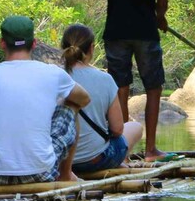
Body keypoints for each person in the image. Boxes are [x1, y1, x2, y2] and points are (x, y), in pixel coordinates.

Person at [63, 0, 170, 161]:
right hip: (145, 33)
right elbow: (161, 1)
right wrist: (160, 18)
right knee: (153, 88)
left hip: (117, 32)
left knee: (120, 87)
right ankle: (151, 150)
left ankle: (123, 147)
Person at [0, 15, 90, 184]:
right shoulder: (53, 73)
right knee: (69, 107)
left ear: (2, 43)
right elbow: (84, 99)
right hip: (39, 174)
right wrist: (53, 105)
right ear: (34, 43)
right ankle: (66, 175)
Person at [60, 23, 144, 173]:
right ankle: (119, 161)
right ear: (91, 48)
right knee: (136, 127)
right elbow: (117, 129)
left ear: (63, 47)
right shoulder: (105, 79)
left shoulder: (53, 77)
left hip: (58, 161)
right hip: (94, 160)